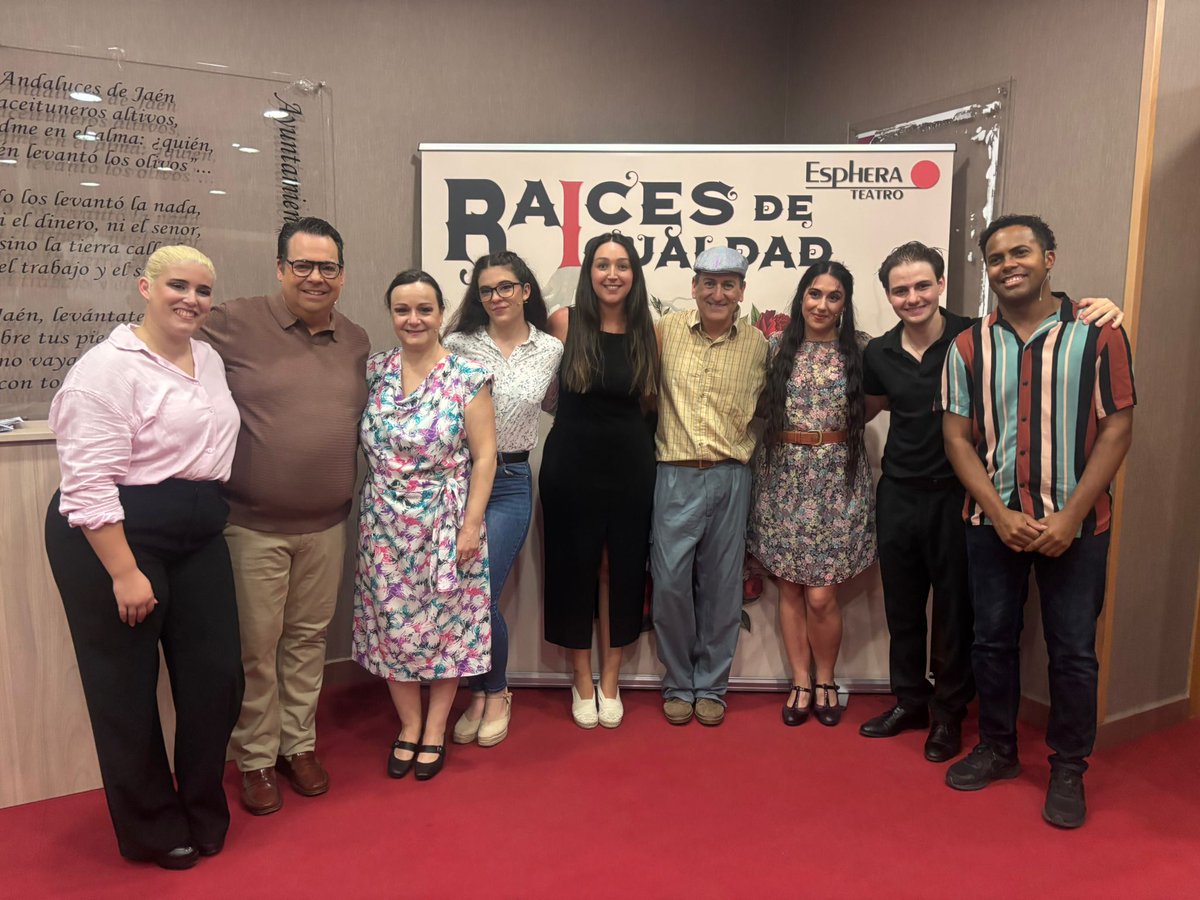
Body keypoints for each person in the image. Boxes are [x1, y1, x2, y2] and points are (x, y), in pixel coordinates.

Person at [860, 242, 1124, 762]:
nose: (911, 297)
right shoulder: (879, 352)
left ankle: (948, 716)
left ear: (940, 285)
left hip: (960, 495)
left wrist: (1105, 307)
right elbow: (864, 411)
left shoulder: (973, 337)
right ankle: (909, 700)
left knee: (957, 614)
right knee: (903, 607)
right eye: (899, 290)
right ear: (888, 297)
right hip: (897, 493)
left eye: (921, 286)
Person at [43, 245, 243, 869]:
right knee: (125, 689)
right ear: (145, 288)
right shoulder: (105, 369)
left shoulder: (207, 357)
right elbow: (87, 485)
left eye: (203, 290)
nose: (191, 299)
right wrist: (124, 572)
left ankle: (202, 805)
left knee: (217, 681)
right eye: (177, 286)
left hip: (198, 536)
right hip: (114, 537)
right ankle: (153, 828)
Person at [940, 214, 1135, 829]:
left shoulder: (1099, 333)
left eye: (1019, 252)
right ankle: (997, 748)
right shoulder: (968, 345)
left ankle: (1069, 765)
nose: (1007, 265)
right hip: (991, 523)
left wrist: (1069, 516)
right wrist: (997, 514)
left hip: (1076, 527)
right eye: (995, 258)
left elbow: (1118, 427)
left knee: (1073, 652)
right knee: (991, 643)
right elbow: (957, 438)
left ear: (1049, 257)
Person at [200, 217, 370, 815]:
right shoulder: (233, 322)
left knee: (307, 641)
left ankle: (298, 745)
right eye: (302, 265)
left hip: (328, 525)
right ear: (280, 269)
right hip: (251, 526)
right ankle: (254, 758)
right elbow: (162, 336)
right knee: (257, 648)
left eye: (327, 267)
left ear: (343, 275)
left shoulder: (356, 340)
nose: (315, 277)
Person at [354, 270, 497, 781]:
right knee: (392, 627)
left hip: (446, 523)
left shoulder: (467, 376)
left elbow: (484, 458)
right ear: (391, 314)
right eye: (402, 310)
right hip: (383, 528)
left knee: (445, 628)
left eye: (424, 309)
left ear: (440, 314)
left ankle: (436, 728)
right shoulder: (373, 372)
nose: (413, 319)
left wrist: (471, 525)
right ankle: (408, 726)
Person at [747, 261, 875, 728]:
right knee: (791, 589)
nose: (822, 304)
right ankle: (801, 681)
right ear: (801, 297)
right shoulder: (777, 347)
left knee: (822, 596)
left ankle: (827, 678)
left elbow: (873, 407)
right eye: (814, 293)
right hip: (783, 480)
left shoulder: (859, 351)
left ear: (845, 303)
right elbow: (757, 405)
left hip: (838, 482)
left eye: (833, 296)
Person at [443, 251, 562, 747]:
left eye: (506, 287)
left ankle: (495, 691)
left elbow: (554, 405)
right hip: (458, 480)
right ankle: (482, 690)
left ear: (526, 291)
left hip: (512, 478)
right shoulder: (455, 345)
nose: (496, 297)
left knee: (481, 592)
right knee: (458, 590)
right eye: (487, 290)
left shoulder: (550, 349)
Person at [541, 233, 658, 729]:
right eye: (603, 264)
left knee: (621, 570)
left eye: (623, 265)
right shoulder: (564, 323)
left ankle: (611, 679)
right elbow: (543, 394)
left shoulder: (647, 330)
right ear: (588, 272)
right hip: (571, 467)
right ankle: (581, 677)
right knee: (575, 570)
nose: (613, 273)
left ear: (634, 274)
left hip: (632, 468)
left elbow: (650, 406)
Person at [651, 246, 768, 727]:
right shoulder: (666, 332)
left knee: (722, 587)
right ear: (694, 287)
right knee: (670, 584)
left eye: (728, 284)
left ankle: (712, 686)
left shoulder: (760, 345)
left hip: (731, 475)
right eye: (708, 283)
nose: (717, 293)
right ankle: (679, 682)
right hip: (674, 473)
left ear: (742, 291)